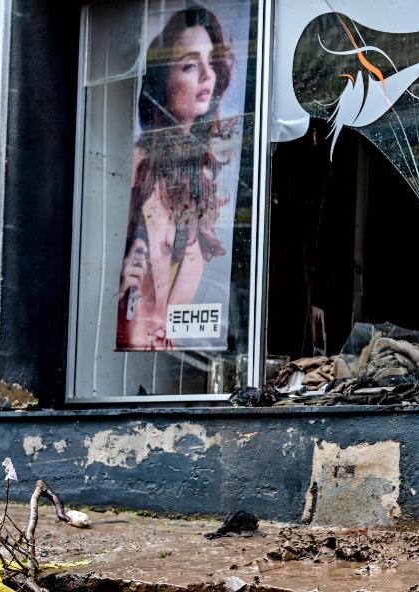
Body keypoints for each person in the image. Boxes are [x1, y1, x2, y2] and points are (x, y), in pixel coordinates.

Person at [117, 3, 235, 351]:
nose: (206, 75)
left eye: (211, 62)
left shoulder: (200, 182)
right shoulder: (135, 170)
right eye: (188, 64)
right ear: (162, 81)